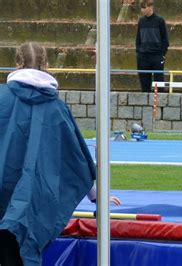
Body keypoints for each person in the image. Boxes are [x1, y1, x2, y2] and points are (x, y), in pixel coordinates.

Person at [0, 42, 118, 266]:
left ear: (17, 63)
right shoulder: (56, 109)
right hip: (36, 204)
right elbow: (74, 160)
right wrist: (96, 197)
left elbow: (74, 156)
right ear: (46, 64)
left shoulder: (3, 99)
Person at [136, 0, 169, 92]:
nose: (142, 10)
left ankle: (160, 104)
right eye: (141, 8)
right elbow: (138, 38)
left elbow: (165, 39)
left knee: (159, 83)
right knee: (144, 83)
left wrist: (162, 54)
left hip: (157, 56)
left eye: (144, 8)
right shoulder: (141, 21)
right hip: (143, 56)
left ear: (150, 7)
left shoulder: (160, 21)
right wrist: (139, 51)